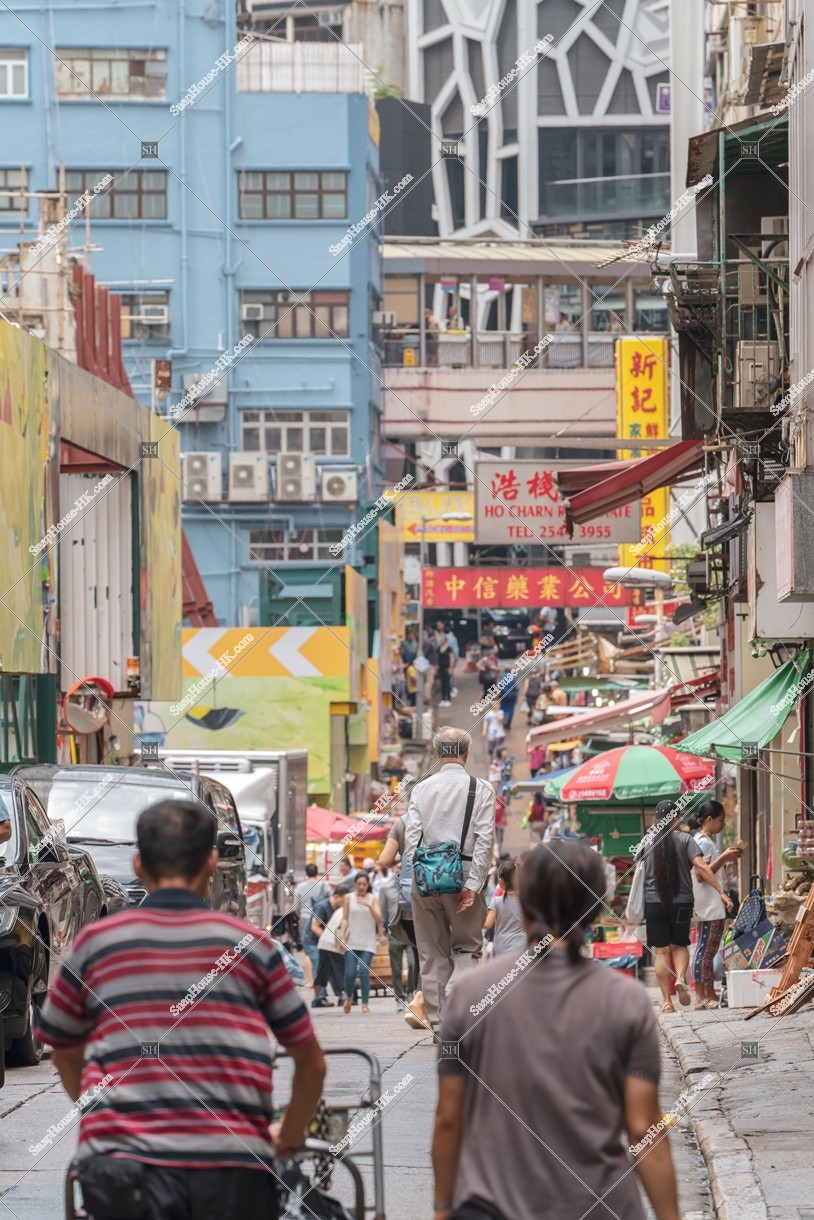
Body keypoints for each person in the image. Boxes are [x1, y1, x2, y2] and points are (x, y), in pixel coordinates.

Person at [36, 800, 326, 1219]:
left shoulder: (94, 944)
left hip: (120, 1171)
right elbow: (311, 1063)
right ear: (212, 863)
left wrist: (103, 1111)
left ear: (137, 864)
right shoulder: (253, 947)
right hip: (232, 1168)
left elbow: (63, 1051)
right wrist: (289, 1138)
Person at [432, 840, 681, 1220]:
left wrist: (443, 1207)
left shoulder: (469, 995)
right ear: (596, 910)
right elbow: (643, 1128)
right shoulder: (626, 1001)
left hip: (494, 1207)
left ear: (524, 904)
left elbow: (449, 1117)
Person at [405, 728, 495, 1029]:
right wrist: (473, 885)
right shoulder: (481, 788)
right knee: (467, 948)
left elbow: (412, 840)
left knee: (431, 951)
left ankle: (440, 1023)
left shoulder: (420, 789)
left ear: (436, 753)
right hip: (466, 876)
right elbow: (485, 840)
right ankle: (464, 1016)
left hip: (427, 879)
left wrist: (420, 880)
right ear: (466, 753)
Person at [635, 800, 732, 1013]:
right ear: (676, 818)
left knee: (661, 951)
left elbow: (637, 866)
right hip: (682, 903)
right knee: (680, 946)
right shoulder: (685, 839)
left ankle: (667, 1002)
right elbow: (702, 867)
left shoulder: (647, 842)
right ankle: (680, 978)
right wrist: (721, 891)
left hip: (654, 902)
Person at [688, 800, 742, 1009]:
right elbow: (702, 874)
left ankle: (708, 992)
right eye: (721, 820)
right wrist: (726, 856)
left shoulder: (706, 841)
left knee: (708, 950)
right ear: (709, 820)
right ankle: (701, 995)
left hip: (712, 905)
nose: (723, 824)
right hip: (708, 905)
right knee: (705, 950)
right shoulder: (702, 842)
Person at [378, 810, 425, 1026]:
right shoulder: (444, 815)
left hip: (410, 902)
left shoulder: (402, 822)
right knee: (440, 954)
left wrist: (403, 856)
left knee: (419, 954)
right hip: (441, 895)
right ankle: (423, 1003)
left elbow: (385, 859)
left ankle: (419, 1002)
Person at [340, 871, 386, 1014]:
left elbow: (379, 918)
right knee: (350, 974)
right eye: (359, 884)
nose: (361, 887)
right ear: (355, 884)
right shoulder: (348, 898)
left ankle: (365, 1004)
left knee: (364, 972)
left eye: (364, 884)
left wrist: (369, 905)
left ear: (368, 885)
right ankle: (348, 997)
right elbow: (345, 918)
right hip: (351, 940)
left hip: (368, 941)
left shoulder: (373, 899)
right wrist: (342, 936)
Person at [378, 866, 418, 1011]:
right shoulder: (386, 888)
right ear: (394, 868)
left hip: (410, 929)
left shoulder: (414, 883)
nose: (400, 869)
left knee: (413, 963)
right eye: (398, 866)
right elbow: (382, 913)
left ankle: (411, 993)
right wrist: (381, 933)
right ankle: (399, 997)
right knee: (396, 967)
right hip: (393, 930)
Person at [294, 863, 331, 997]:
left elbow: (296, 907)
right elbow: (329, 902)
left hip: (304, 918)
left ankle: (310, 980)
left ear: (306, 872)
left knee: (308, 951)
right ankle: (318, 984)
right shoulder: (324, 885)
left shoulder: (300, 887)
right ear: (317, 872)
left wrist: (302, 915)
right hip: (320, 919)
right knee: (321, 950)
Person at [311, 885, 352, 1007]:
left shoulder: (338, 909)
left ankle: (319, 998)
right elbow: (314, 926)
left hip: (324, 943)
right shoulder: (323, 907)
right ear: (336, 896)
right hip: (323, 942)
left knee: (324, 972)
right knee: (338, 970)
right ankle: (341, 996)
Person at [483, 859, 527, 956]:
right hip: (522, 946)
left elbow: (487, 924)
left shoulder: (497, 901)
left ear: (501, 881)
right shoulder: (526, 901)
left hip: (502, 947)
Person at [437, 631, 454, 707]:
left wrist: (451, 668)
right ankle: (443, 699)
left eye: (442, 639)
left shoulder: (449, 648)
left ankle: (448, 699)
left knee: (447, 684)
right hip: (441, 668)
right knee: (442, 684)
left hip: (447, 667)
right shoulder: (439, 648)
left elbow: (451, 658)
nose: (441, 640)